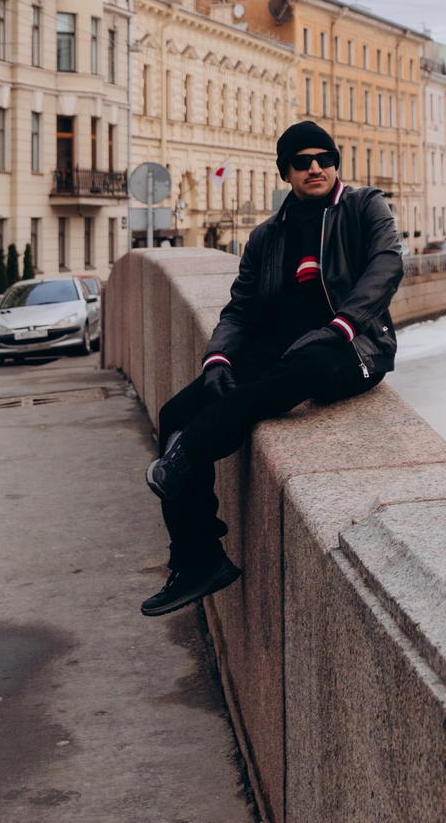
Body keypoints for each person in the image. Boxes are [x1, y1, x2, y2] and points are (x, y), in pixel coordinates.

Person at [139, 121, 401, 617]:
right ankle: (198, 560)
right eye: (302, 162)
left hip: (353, 346)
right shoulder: (266, 236)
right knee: (176, 413)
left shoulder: (365, 206)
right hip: (277, 351)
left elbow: (386, 267)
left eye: (324, 158)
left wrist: (342, 325)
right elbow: (239, 309)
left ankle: (192, 449)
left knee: (307, 362)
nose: (315, 168)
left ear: (335, 164)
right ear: (285, 172)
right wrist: (218, 357)